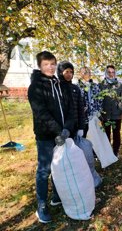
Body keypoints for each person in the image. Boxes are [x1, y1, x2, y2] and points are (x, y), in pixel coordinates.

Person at [28, 51, 75, 223]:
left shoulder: (59, 84)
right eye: (46, 64)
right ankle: (41, 204)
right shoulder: (36, 87)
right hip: (46, 136)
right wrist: (57, 132)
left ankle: (57, 196)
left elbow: (70, 108)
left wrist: (67, 129)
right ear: (40, 66)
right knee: (45, 170)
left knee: (59, 166)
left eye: (53, 63)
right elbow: (41, 113)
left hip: (62, 134)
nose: (50, 67)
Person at [99, 65, 122, 157]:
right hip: (105, 114)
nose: (111, 74)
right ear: (106, 73)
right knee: (106, 133)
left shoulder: (118, 84)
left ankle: (115, 151)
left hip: (116, 113)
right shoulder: (101, 84)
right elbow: (99, 99)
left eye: (113, 72)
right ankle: (106, 152)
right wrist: (99, 112)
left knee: (116, 133)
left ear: (115, 73)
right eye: (109, 72)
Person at [57, 61, 85, 138]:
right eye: (66, 72)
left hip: (75, 127)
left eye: (71, 72)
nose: (69, 74)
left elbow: (80, 109)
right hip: (61, 128)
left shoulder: (75, 88)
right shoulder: (57, 88)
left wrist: (81, 127)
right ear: (60, 72)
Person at [77, 66, 101, 137]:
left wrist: (98, 111)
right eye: (85, 72)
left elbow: (99, 100)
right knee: (84, 137)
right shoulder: (77, 87)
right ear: (80, 74)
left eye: (89, 72)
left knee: (95, 137)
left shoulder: (95, 86)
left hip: (94, 116)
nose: (88, 74)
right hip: (83, 117)